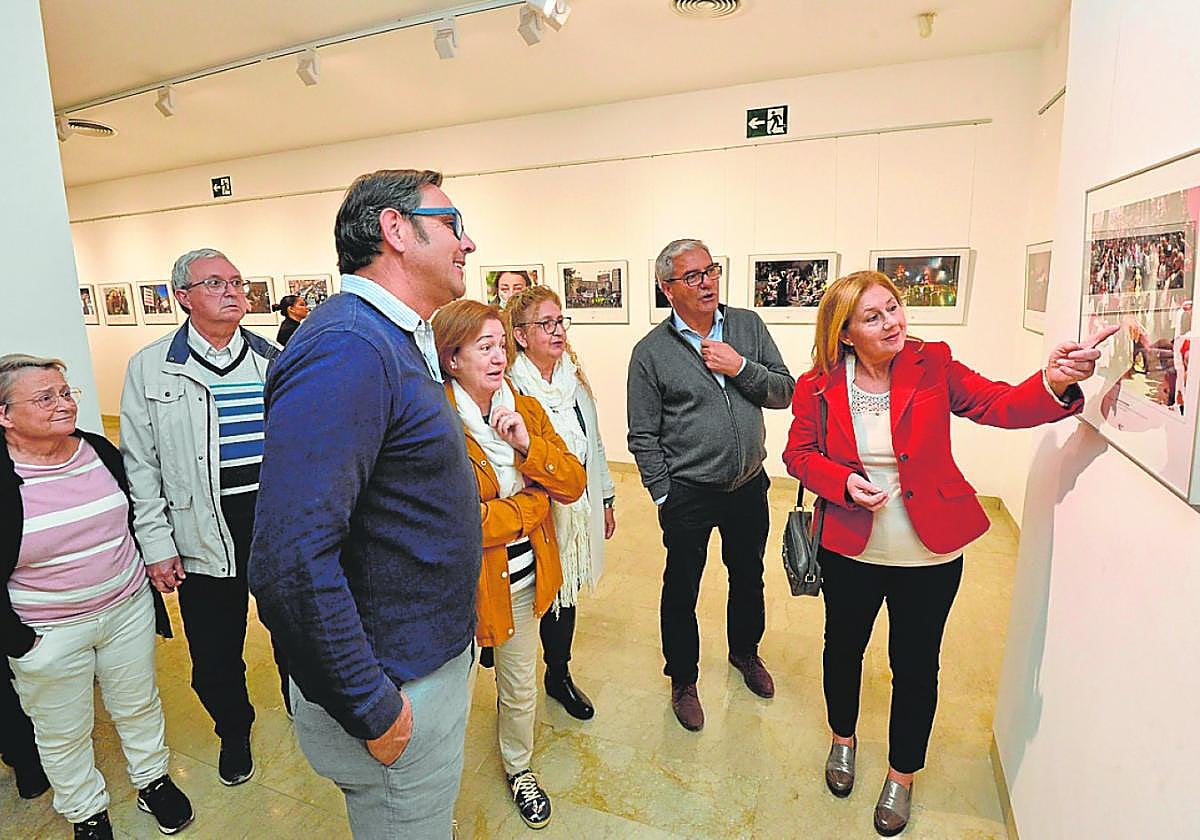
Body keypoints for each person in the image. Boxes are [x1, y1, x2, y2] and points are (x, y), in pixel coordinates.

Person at [782, 271, 1116, 837]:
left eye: (893, 308)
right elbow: (799, 453)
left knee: (915, 668)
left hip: (928, 554)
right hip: (849, 549)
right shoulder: (817, 383)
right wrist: (840, 483)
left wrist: (1052, 382)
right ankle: (843, 739)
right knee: (842, 652)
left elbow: (998, 404)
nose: (893, 322)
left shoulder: (932, 362)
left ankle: (901, 775)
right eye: (873, 317)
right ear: (844, 333)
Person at [250, 169, 482, 839]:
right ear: (395, 229)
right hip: (393, 685)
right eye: (453, 223)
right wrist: (372, 709)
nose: (469, 242)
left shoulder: (389, 335)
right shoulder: (350, 347)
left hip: (417, 660)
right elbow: (290, 560)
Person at [2, 355, 191, 840]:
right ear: (4, 415)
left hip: (125, 609)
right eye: (45, 398)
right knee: (63, 731)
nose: (64, 404)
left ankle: (153, 780)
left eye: (66, 393)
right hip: (48, 632)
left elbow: (134, 518)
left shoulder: (97, 450)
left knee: (138, 704)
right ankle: (86, 811)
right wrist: (22, 642)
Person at [120, 248, 289, 787]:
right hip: (200, 525)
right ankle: (233, 728)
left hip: (273, 518)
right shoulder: (151, 367)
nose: (233, 290)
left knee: (294, 627)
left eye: (238, 281)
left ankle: (304, 704)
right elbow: (140, 464)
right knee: (215, 647)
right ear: (182, 297)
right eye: (215, 282)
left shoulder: (273, 356)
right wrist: (156, 543)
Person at [627, 238, 795, 732]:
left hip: (748, 484)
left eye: (711, 271)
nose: (707, 284)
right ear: (667, 288)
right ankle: (683, 679)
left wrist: (739, 366)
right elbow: (642, 433)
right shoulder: (650, 353)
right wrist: (663, 493)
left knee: (748, 577)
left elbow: (785, 390)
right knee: (682, 588)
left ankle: (745, 653)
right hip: (688, 493)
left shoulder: (747, 326)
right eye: (693, 276)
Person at [432, 299, 586, 830]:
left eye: (502, 344)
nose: (500, 356)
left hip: (522, 580)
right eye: (484, 346)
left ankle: (520, 768)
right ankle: (431, 794)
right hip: (456, 591)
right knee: (444, 698)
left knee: (520, 686)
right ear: (451, 358)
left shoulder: (523, 406)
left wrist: (525, 442)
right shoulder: (435, 423)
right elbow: (456, 523)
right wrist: (528, 508)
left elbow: (571, 482)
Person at [504, 285, 615, 720]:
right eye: (545, 324)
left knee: (565, 595)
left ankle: (558, 674)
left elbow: (595, 444)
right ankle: (513, 686)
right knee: (533, 596)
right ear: (520, 335)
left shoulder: (573, 380)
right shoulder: (511, 389)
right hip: (534, 512)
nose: (557, 331)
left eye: (560, 321)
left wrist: (605, 497)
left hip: (576, 505)